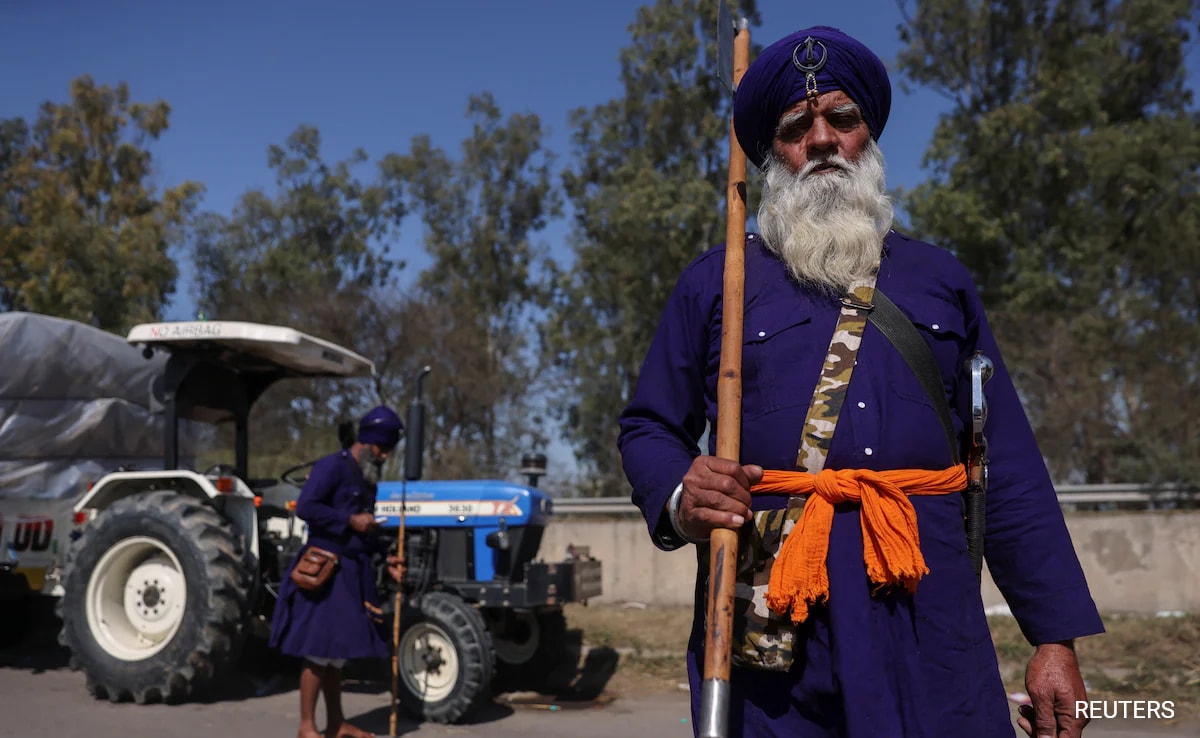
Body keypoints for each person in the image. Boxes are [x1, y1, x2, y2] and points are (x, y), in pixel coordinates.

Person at [617, 25, 1105, 738]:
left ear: (866, 133)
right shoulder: (717, 282)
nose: (821, 140)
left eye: (840, 119)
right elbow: (648, 426)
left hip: (927, 609)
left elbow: (1010, 468)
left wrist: (1053, 639)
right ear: (773, 151)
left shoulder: (940, 280)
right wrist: (682, 494)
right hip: (773, 621)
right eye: (796, 127)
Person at [270, 405, 406, 738]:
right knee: (318, 651)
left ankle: (336, 723)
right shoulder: (332, 466)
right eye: (382, 449)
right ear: (369, 442)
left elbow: (366, 530)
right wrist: (349, 520)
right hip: (325, 572)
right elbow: (306, 508)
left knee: (335, 656)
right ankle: (306, 727)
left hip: (352, 574)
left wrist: (386, 557)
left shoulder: (368, 478)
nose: (386, 457)